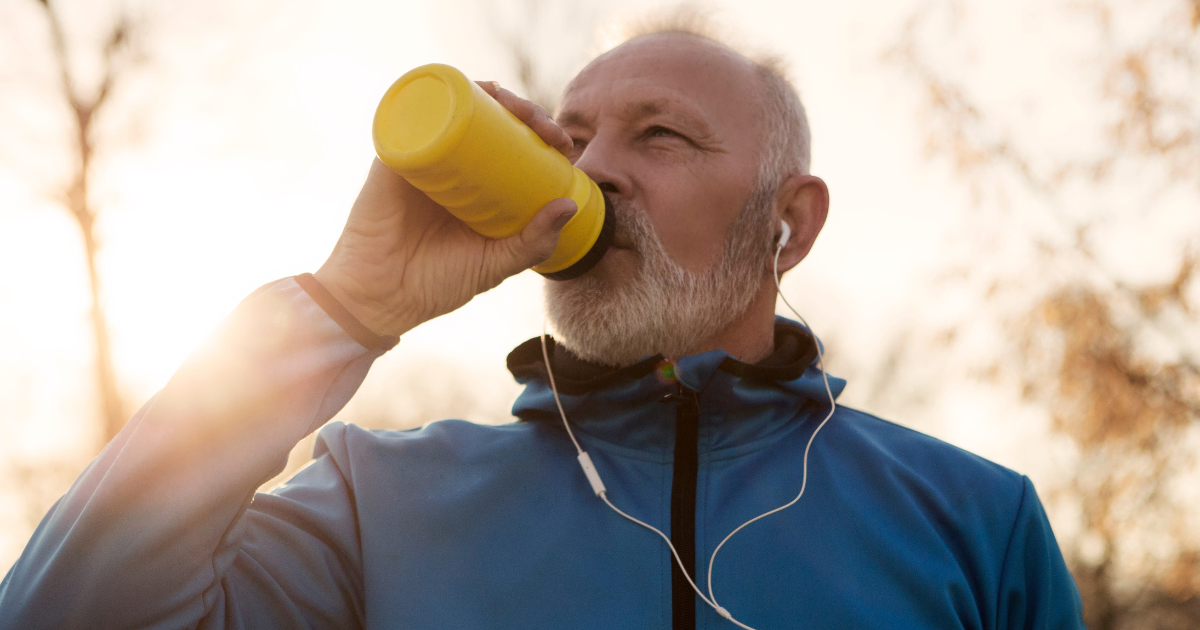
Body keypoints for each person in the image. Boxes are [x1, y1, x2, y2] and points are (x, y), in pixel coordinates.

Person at [0, 23, 1085, 630]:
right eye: (572, 138)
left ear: (787, 225)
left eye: (659, 136)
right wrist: (345, 307)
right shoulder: (378, 505)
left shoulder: (974, 524)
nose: (595, 167)